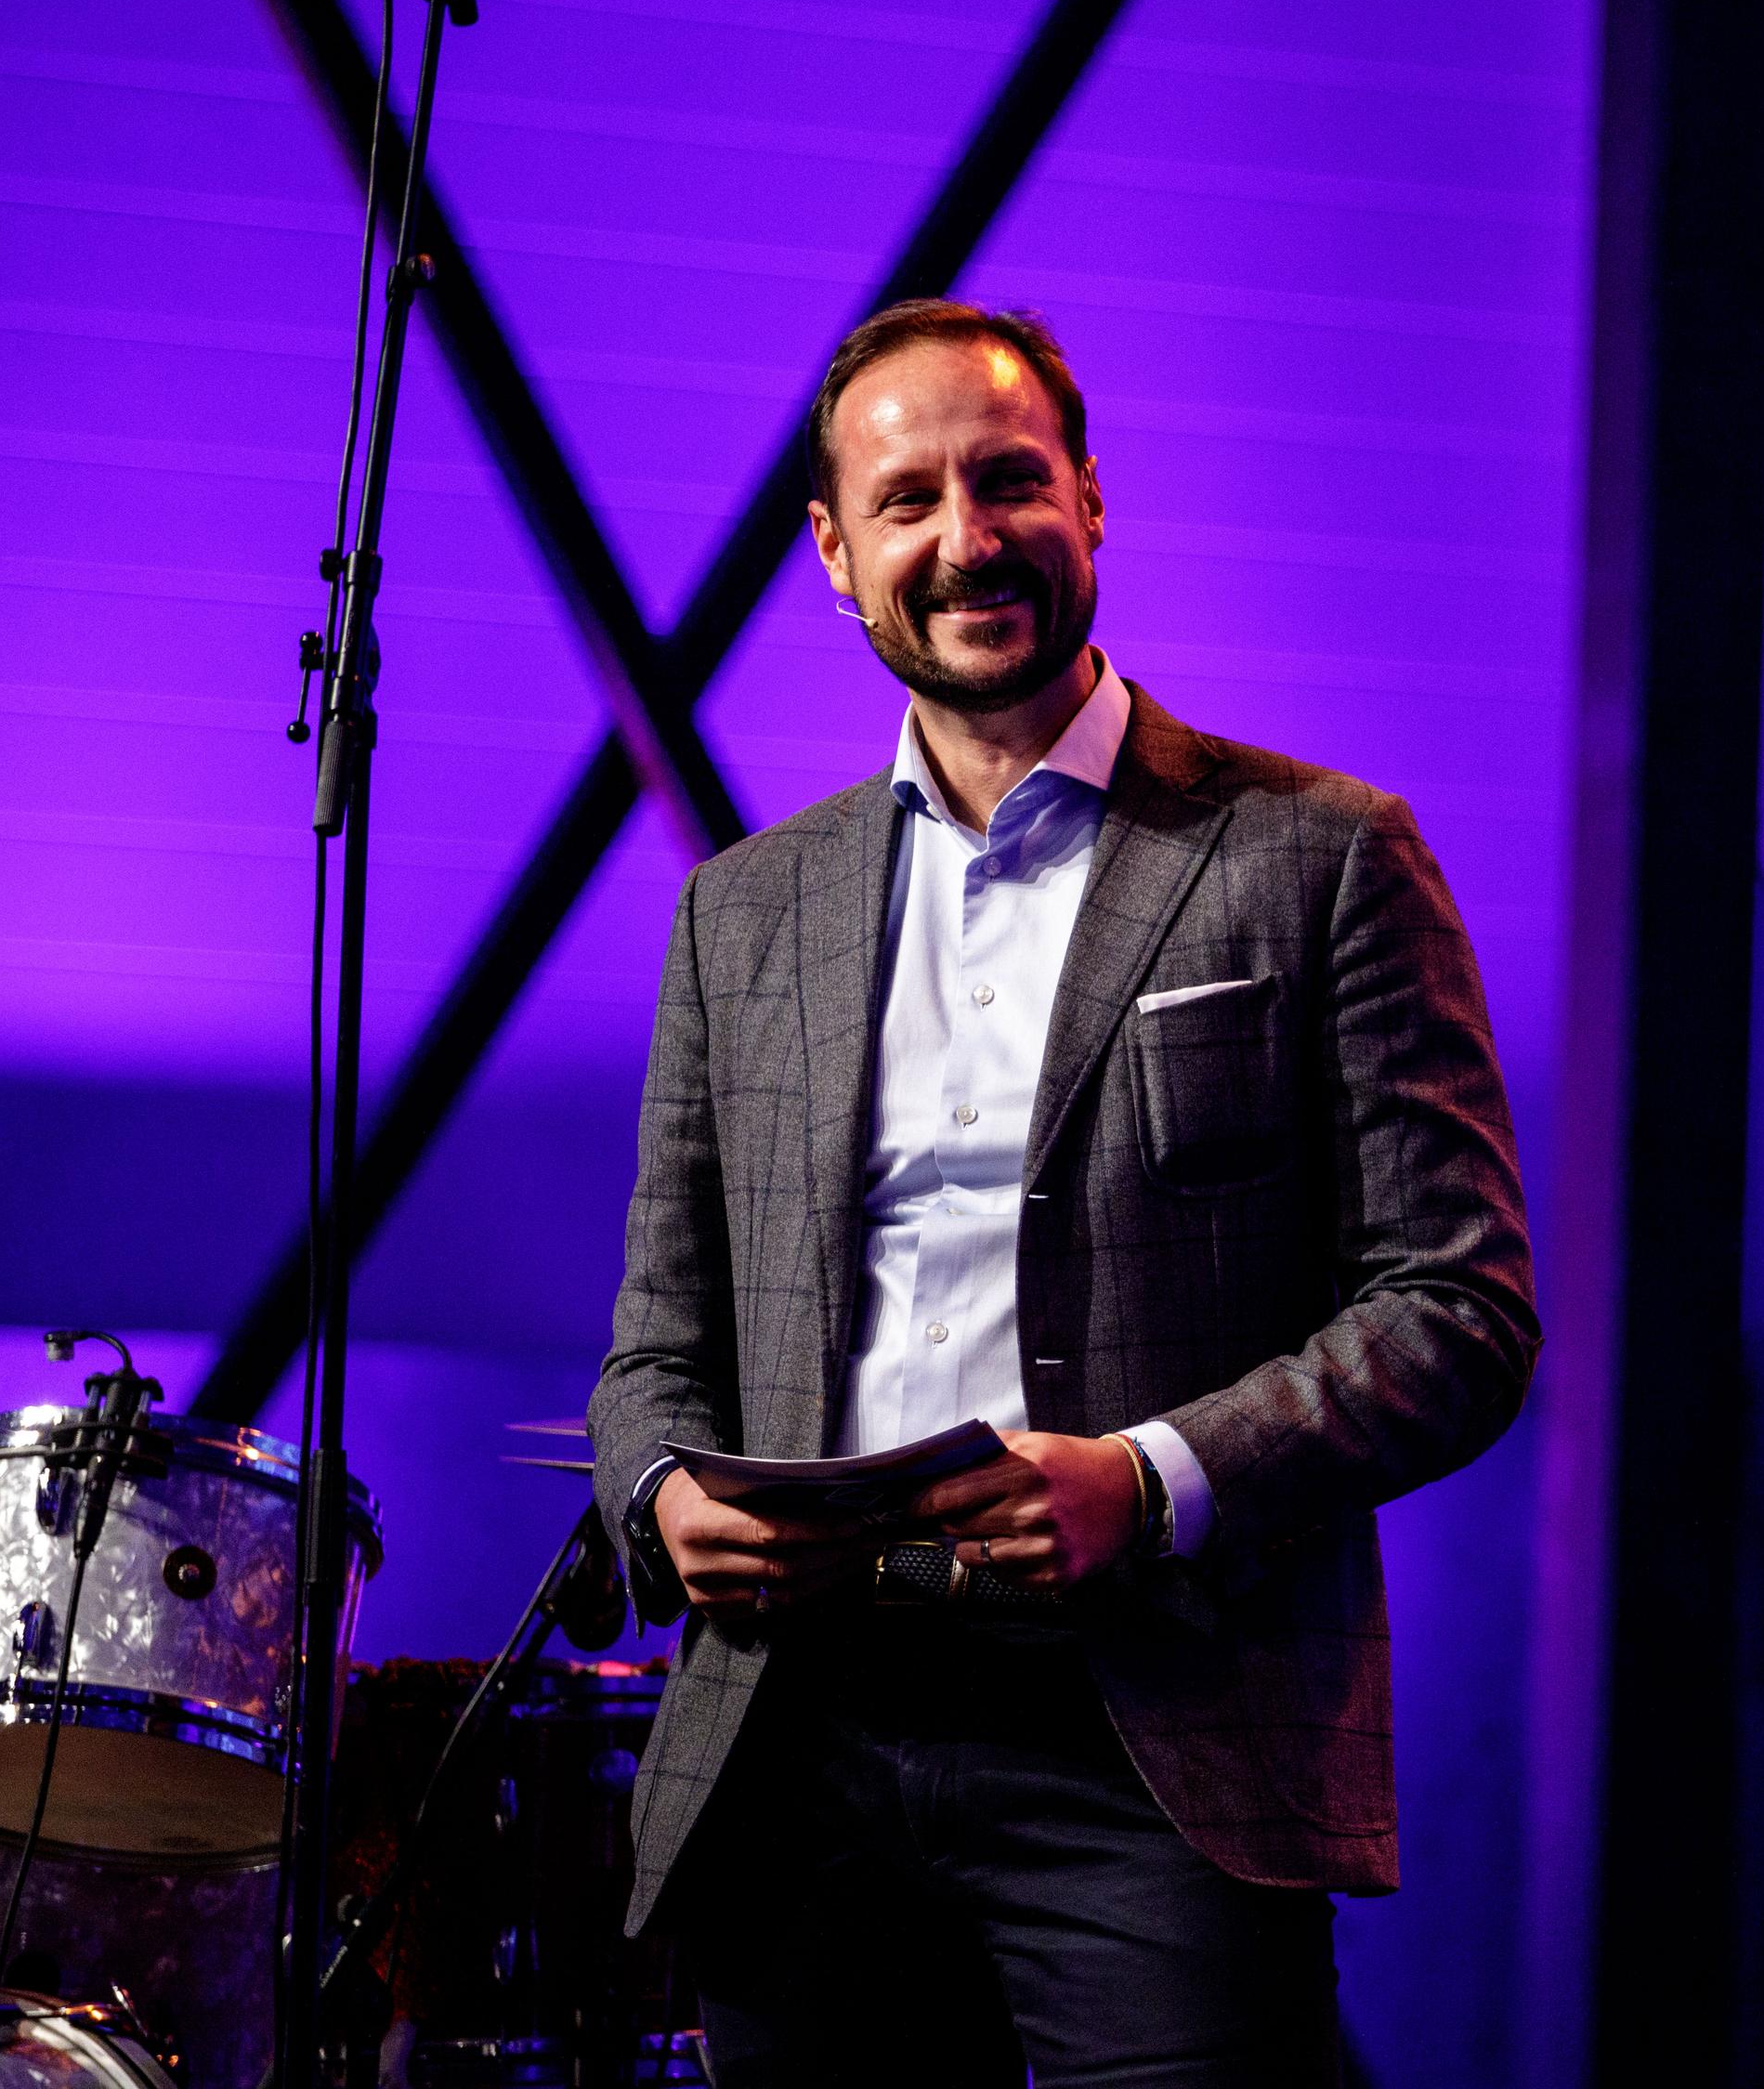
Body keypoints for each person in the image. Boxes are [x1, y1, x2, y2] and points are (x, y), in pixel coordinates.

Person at [588, 298, 1540, 2086]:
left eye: (1009, 480)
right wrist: (661, 1495)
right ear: (834, 554)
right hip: (800, 1737)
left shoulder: (1320, 855)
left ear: (1091, 500)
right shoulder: (743, 911)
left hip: (1154, 1741)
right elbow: (658, 1344)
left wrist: (1151, 1482)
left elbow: (1460, 1308)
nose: (968, 539)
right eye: (908, 501)